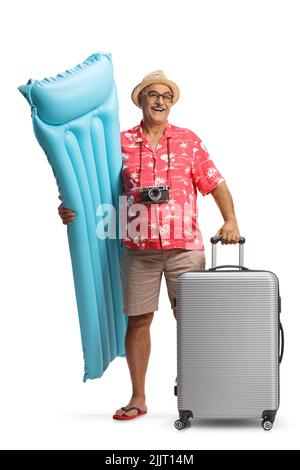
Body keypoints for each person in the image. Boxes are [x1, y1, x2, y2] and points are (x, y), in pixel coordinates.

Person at [58, 70, 241, 420]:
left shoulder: (188, 140)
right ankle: (139, 398)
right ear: (140, 101)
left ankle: (197, 390)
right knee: (138, 321)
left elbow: (215, 181)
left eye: (166, 96)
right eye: (152, 95)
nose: (159, 101)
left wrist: (230, 220)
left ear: (171, 103)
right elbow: (92, 184)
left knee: (191, 320)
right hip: (137, 249)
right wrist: (69, 206)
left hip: (184, 247)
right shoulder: (119, 143)